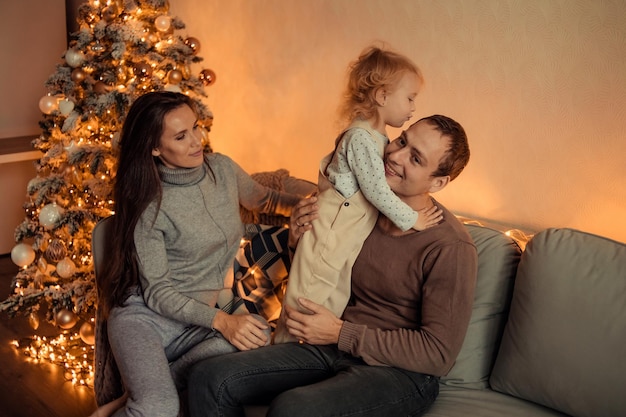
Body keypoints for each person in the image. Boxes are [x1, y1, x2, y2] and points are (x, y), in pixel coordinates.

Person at [188, 114, 478, 417]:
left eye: (416, 158)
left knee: (294, 409)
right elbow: (323, 273)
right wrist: (298, 241)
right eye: (402, 140)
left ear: (439, 182)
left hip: (399, 372)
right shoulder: (361, 206)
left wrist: (341, 333)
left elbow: (438, 354)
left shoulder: (450, 246)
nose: (395, 155)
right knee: (210, 378)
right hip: (330, 347)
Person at [90, 91, 301, 417]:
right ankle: (148, 397)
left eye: (196, 127)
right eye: (181, 135)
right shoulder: (150, 206)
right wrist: (223, 321)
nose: (196, 141)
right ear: (155, 148)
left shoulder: (222, 170)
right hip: (146, 320)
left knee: (255, 331)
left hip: (197, 322)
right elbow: (158, 294)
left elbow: (266, 201)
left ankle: (138, 395)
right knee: (160, 408)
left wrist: (308, 207)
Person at [274, 46, 442, 343]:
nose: (413, 108)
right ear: (382, 96)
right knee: (308, 296)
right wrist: (411, 219)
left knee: (333, 298)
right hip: (331, 229)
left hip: (348, 235)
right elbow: (377, 191)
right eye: (410, 98)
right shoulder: (360, 138)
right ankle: (281, 347)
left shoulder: (381, 139)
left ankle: (304, 352)